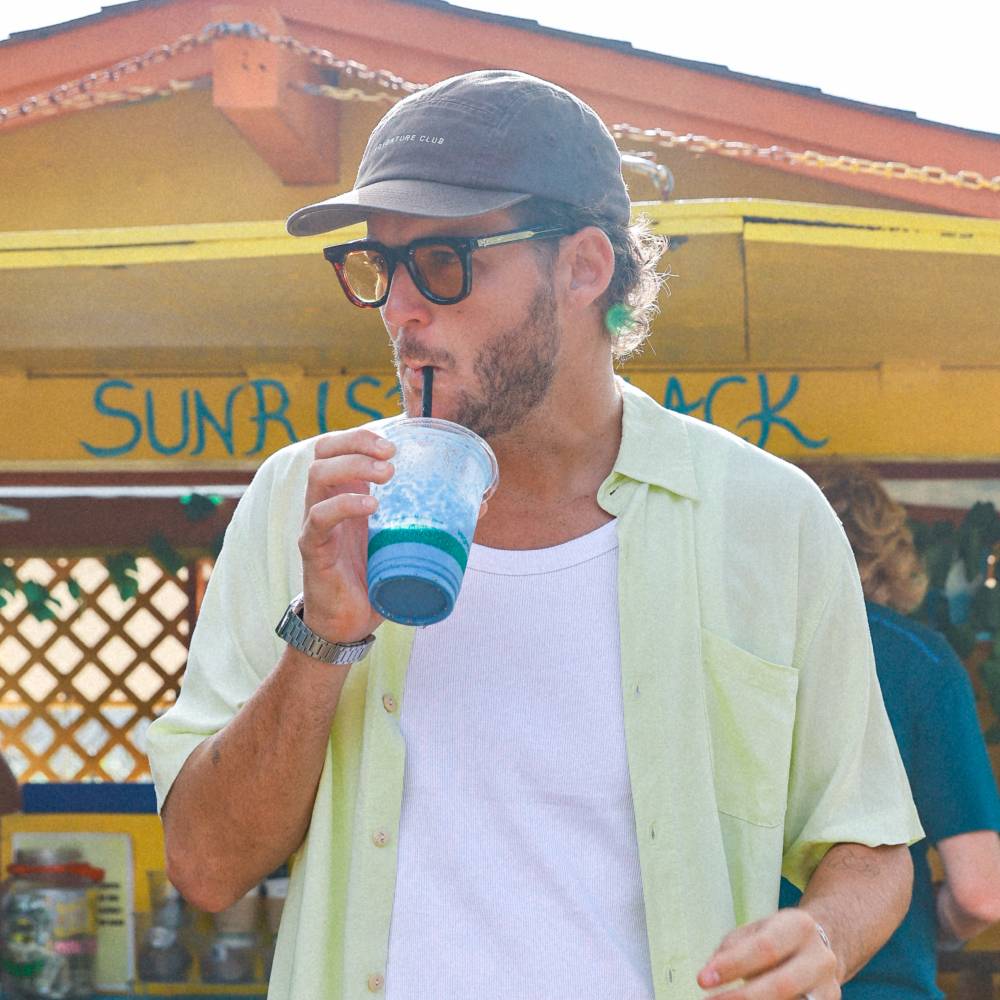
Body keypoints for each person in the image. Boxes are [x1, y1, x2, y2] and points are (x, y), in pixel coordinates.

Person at [146, 69, 923, 1000]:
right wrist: (325, 637)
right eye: (380, 267)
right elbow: (204, 866)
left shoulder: (765, 517)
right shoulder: (308, 501)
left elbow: (870, 845)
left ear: (585, 268)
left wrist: (823, 937)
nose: (399, 309)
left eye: (442, 262)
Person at [785, 463, 1000, 999]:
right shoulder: (924, 661)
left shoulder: (728, 654)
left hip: (734, 982)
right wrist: (931, 927)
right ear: (891, 558)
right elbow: (981, 893)